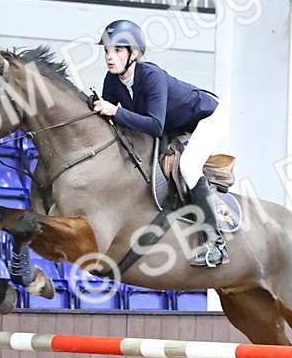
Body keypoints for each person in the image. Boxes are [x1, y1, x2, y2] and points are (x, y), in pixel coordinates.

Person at [91, 19, 229, 267]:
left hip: (206, 118)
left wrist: (115, 111)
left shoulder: (151, 76)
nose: (109, 57)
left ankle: (215, 244)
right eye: (107, 51)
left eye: (117, 50)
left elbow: (154, 125)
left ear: (134, 54)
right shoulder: (112, 80)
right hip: (173, 126)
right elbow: (110, 120)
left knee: (188, 166)